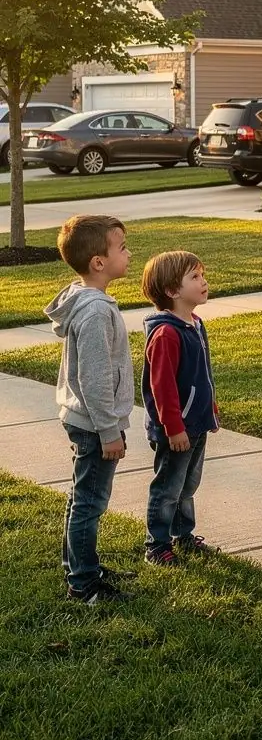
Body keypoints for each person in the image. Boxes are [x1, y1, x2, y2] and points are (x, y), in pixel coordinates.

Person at [45, 215, 135, 605]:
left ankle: (81, 565)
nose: (129, 254)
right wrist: (109, 430)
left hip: (82, 419)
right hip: (95, 424)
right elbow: (96, 379)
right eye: (122, 247)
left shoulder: (84, 299)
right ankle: (83, 583)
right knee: (90, 502)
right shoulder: (96, 312)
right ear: (99, 262)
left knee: (81, 496)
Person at [141, 251, 220, 566]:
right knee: (169, 487)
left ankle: (182, 535)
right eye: (195, 277)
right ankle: (157, 544)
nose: (203, 281)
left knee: (188, 484)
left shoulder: (195, 324)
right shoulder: (166, 334)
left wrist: (209, 407)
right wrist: (173, 428)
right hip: (176, 429)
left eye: (202, 274)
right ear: (173, 291)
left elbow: (203, 374)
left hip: (196, 423)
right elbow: (162, 388)